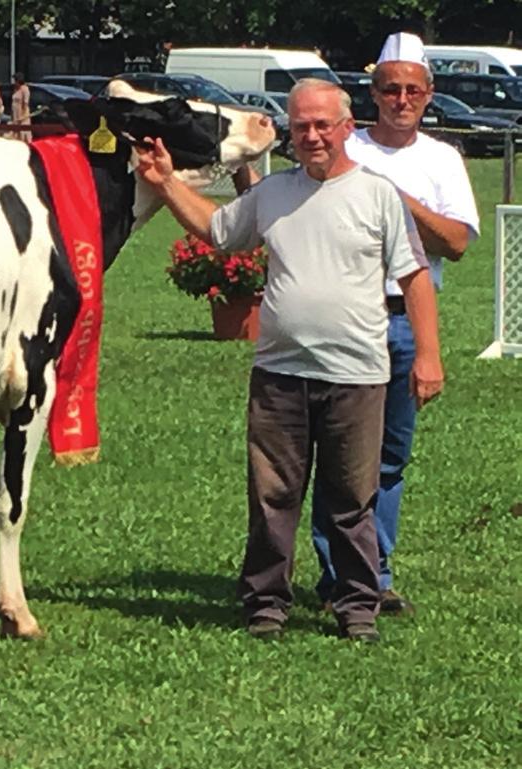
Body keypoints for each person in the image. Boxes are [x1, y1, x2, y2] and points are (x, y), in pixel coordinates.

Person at [136, 79, 444, 642]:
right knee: (273, 497)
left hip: (357, 377)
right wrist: (164, 183)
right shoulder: (274, 194)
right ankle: (266, 606)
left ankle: (356, 608)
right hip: (280, 376)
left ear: (346, 127)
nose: (312, 136)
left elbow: (415, 277)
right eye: (301, 125)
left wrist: (428, 355)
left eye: (323, 124)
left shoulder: (377, 195)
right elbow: (218, 230)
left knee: (351, 501)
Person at [310, 33, 480, 617]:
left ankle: (373, 574)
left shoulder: (441, 160)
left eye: (412, 90)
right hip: (345, 318)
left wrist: (394, 198)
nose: (401, 99)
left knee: (387, 457)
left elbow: (455, 243)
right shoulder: (342, 147)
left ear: (429, 95)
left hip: (407, 319)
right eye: (390, 89)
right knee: (336, 452)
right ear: (373, 92)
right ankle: (337, 575)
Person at [10, 72, 31, 140]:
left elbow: (25, 103)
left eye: (16, 80)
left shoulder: (25, 89)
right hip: (15, 114)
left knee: (23, 133)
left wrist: (23, 116)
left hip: (22, 115)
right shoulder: (16, 89)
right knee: (15, 133)